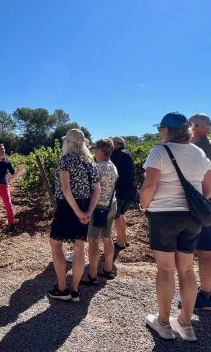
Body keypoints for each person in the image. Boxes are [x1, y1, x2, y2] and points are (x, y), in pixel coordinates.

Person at [141, 112, 211, 342]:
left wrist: (143, 206)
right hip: (191, 218)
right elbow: (210, 190)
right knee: (187, 270)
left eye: (160, 128)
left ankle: (163, 323)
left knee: (166, 269)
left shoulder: (159, 151)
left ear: (166, 130)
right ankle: (186, 325)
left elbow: (149, 186)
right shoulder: (199, 153)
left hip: (164, 217)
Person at [48, 129, 100, 302]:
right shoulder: (90, 161)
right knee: (79, 248)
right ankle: (75, 290)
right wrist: (87, 213)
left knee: (56, 244)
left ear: (68, 143)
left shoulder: (66, 159)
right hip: (85, 206)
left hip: (68, 206)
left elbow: (66, 189)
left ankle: (62, 288)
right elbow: (96, 190)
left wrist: (77, 212)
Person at [188, 113, 211, 310]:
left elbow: (207, 181)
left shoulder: (198, 149)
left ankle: (204, 297)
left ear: (195, 126)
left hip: (202, 206)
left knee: (203, 251)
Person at [86, 139, 118, 284]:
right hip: (112, 205)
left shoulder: (98, 167)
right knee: (107, 238)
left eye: (95, 149)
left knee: (93, 240)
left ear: (99, 150)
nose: (94, 151)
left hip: (99, 208)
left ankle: (92, 276)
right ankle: (108, 269)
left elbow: (90, 187)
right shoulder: (113, 166)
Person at [110, 136, 137, 258]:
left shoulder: (117, 154)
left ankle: (120, 242)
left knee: (117, 214)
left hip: (123, 188)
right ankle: (123, 239)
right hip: (130, 187)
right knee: (121, 214)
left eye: (112, 143)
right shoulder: (126, 153)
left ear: (117, 144)